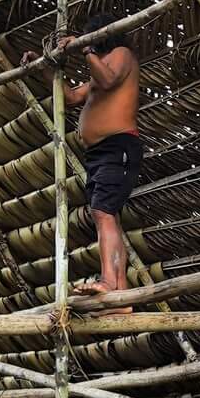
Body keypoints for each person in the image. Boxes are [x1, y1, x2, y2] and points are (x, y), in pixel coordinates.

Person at [57, 26, 140, 296]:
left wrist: (85, 50)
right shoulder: (98, 68)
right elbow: (70, 98)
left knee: (103, 212)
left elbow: (108, 81)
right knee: (105, 215)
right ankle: (121, 296)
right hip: (99, 153)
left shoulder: (121, 54)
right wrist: (49, 67)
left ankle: (108, 281)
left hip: (118, 146)